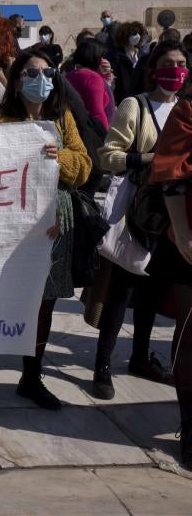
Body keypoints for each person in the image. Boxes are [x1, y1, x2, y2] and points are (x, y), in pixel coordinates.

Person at [0, 49, 92, 423]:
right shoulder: (0, 120)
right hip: (11, 226)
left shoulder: (62, 117)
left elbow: (84, 165)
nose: (39, 78)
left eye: (46, 71)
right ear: (17, 79)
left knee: (45, 303)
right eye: (30, 72)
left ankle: (32, 377)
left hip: (55, 222)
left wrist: (61, 159)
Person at [91, 42, 189, 400]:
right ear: (152, 68)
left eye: (181, 64)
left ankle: (140, 357)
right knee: (123, 291)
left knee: (153, 291)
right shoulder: (136, 105)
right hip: (142, 215)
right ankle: (102, 365)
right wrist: (151, 159)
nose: (175, 70)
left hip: (174, 219)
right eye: (167, 64)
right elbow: (108, 156)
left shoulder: (186, 108)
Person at [147, 55, 192, 468]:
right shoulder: (189, 108)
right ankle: (190, 423)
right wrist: (183, 233)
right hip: (190, 238)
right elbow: (172, 175)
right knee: (191, 327)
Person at [65, 39, 114, 130]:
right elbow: (97, 113)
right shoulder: (93, 78)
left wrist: (104, 76)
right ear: (94, 57)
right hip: (93, 133)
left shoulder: (71, 74)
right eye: (101, 57)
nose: (103, 60)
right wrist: (105, 136)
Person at [111, 21, 148, 104]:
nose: (136, 36)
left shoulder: (143, 55)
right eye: (132, 34)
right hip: (122, 97)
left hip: (141, 96)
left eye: (137, 33)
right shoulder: (116, 55)